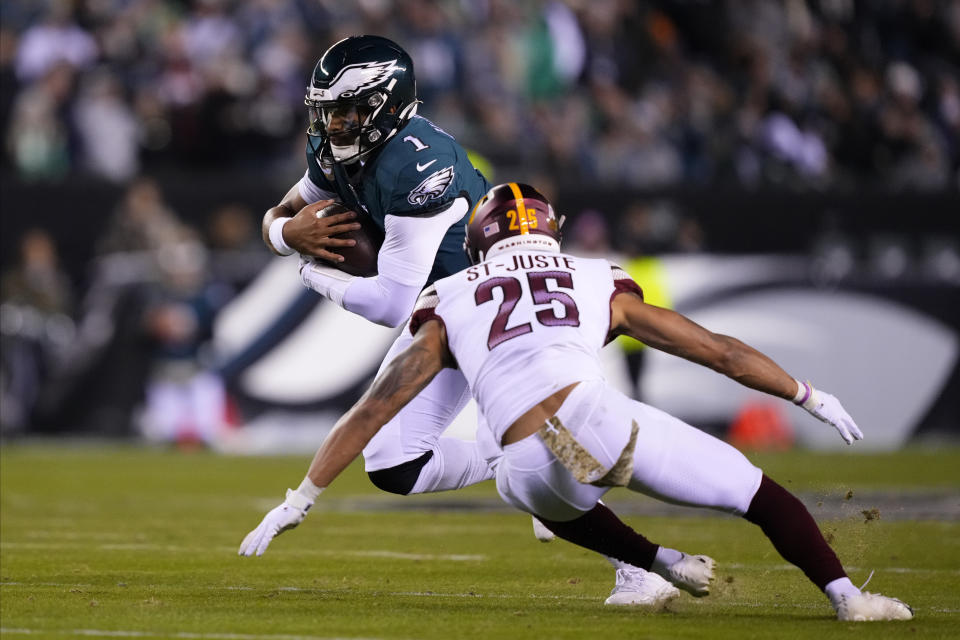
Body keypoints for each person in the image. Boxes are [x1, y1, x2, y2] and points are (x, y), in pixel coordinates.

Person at [241, 182, 914, 621]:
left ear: (480, 239)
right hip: (598, 420)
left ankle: (657, 565)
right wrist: (805, 393)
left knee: (526, 487)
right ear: (549, 231)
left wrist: (300, 496)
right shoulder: (594, 277)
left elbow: (375, 408)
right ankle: (848, 597)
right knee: (758, 496)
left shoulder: (449, 296)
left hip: (526, 461)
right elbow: (717, 351)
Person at [257, 35, 711, 605]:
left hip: (490, 305)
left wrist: (308, 272)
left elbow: (389, 305)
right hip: (443, 309)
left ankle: (638, 567)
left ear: (387, 104)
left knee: (557, 463)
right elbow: (283, 213)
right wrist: (284, 234)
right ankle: (512, 452)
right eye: (325, 110)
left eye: (347, 111)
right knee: (395, 464)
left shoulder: (416, 164)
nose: (332, 124)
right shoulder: (332, 145)